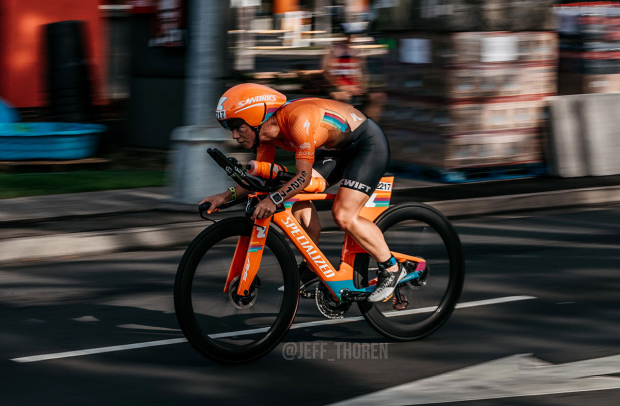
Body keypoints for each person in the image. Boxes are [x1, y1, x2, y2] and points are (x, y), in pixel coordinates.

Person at [201, 83, 404, 302]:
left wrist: (273, 199)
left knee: (343, 215)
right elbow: (258, 181)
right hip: (336, 150)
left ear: (256, 119)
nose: (234, 135)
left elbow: (303, 177)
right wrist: (224, 196)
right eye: (230, 129)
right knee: (290, 195)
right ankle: (312, 266)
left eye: (238, 127)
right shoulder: (265, 137)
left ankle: (392, 268)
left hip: (366, 145)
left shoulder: (297, 119)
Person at [321, 22, 387, 122]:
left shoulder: (357, 52)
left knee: (378, 97)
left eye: (352, 35)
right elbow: (326, 72)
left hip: (354, 86)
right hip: (339, 86)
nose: (350, 38)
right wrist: (339, 86)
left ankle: (369, 125)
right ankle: (343, 127)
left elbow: (363, 72)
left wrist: (363, 86)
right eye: (348, 35)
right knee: (343, 98)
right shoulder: (333, 51)